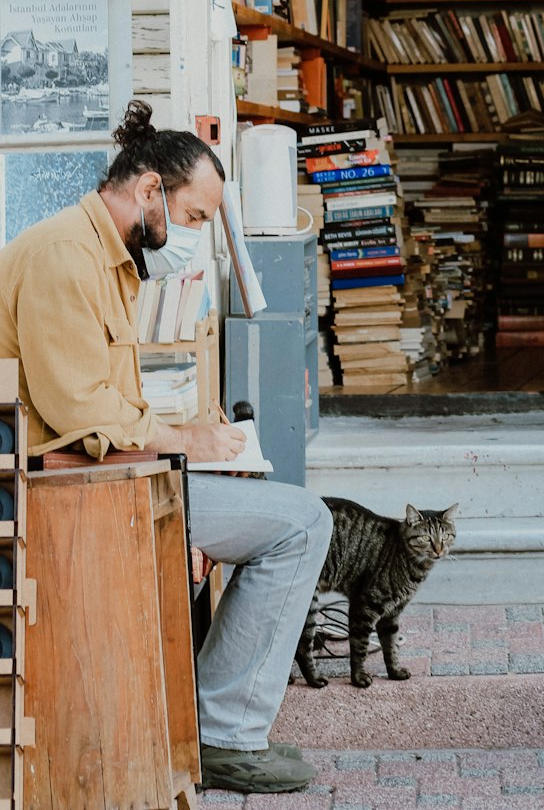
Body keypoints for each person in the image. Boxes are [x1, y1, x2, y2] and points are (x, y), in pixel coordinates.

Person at [0, 100, 332, 796]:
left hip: (103, 475)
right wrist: (189, 443)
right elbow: (81, 419)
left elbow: (107, 406)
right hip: (68, 489)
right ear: (150, 189)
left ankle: (216, 723)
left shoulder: (103, 256)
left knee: (285, 514)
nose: (193, 237)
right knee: (303, 524)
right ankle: (226, 735)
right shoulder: (66, 256)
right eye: (194, 218)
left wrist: (191, 446)